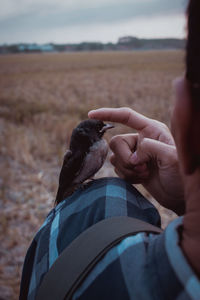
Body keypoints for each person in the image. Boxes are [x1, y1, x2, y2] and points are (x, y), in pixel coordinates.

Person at [19, 1, 200, 299]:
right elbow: (69, 181)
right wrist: (187, 199)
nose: (104, 132)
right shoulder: (78, 155)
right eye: (98, 129)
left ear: (184, 116)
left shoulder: (90, 214)